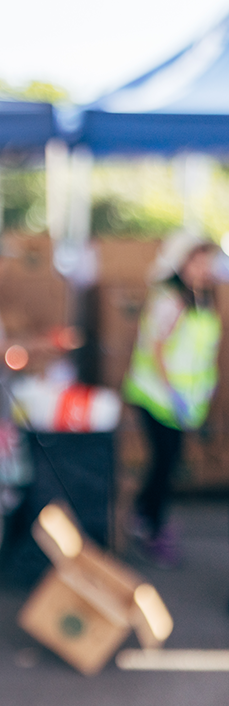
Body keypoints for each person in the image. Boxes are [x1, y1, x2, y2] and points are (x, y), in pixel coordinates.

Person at [124, 230, 220, 568]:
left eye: (207, 260)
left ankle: (145, 517)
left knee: (166, 462)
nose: (203, 267)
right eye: (197, 260)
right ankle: (150, 526)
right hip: (159, 398)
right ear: (180, 261)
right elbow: (158, 350)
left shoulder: (202, 297)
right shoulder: (170, 299)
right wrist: (174, 393)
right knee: (165, 462)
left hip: (184, 400)